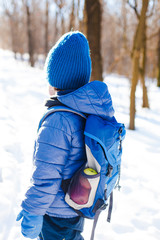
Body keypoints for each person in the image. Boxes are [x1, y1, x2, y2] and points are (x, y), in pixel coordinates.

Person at [16, 31, 114, 240]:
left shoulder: (57, 121)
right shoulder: (86, 112)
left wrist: (33, 210)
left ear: (55, 77)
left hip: (55, 214)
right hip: (75, 208)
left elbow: (46, 175)